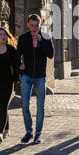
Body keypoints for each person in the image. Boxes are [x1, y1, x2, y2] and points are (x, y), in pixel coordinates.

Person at [17, 14, 54, 144]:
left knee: (40, 106)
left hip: (40, 77)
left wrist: (42, 41)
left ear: (40, 25)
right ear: (28, 25)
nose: (34, 28)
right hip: (26, 76)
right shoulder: (23, 38)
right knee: (25, 105)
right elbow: (17, 55)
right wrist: (19, 65)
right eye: (32, 25)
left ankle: (38, 134)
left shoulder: (46, 37)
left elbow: (50, 55)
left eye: (36, 25)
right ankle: (28, 131)